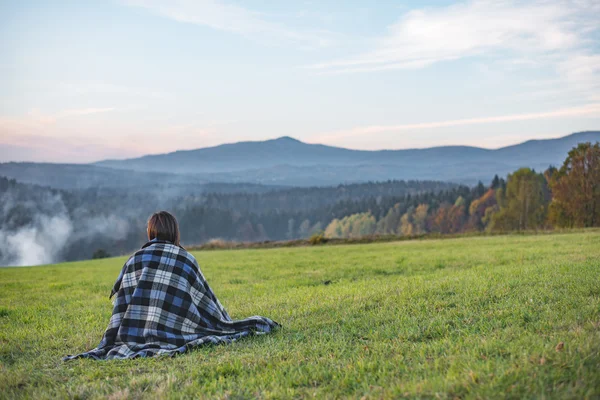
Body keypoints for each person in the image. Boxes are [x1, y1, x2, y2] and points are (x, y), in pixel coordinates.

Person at [64, 211, 279, 360]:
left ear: (151, 232)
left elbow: (122, 308)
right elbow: (206, 301)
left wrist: (115, 338)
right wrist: (225, 322)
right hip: (179, 332)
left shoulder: (134, 260)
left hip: (133, 335)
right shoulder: (186, 259)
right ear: (175, 232)